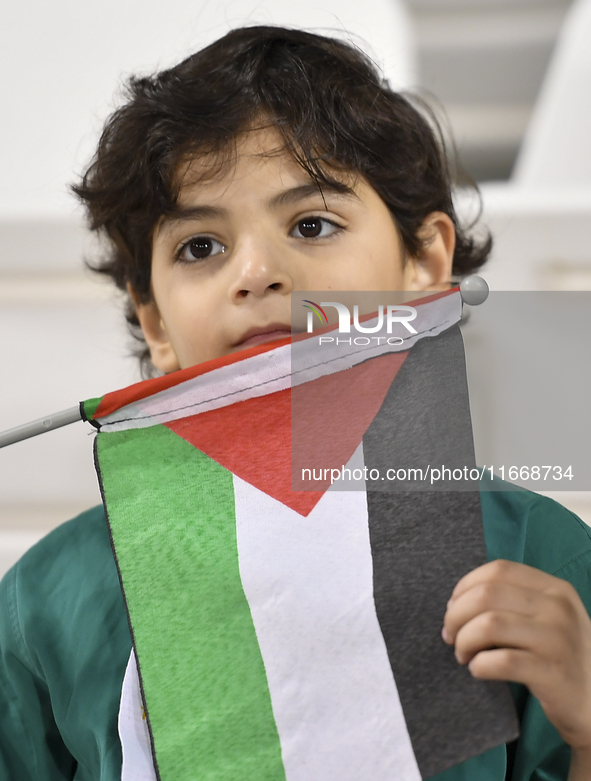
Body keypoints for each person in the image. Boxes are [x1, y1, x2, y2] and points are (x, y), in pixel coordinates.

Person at [1, 26, 591, 781]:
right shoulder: (45, 603)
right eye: (199, 247)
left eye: (311, 225)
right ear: (156, 322)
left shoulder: (540, 559)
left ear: (425, 263)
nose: (254, 272)